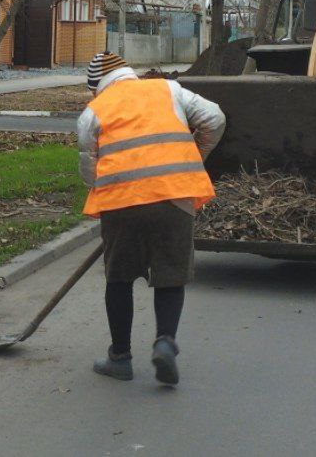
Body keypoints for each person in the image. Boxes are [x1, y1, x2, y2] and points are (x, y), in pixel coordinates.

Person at [77, 51, 225, 386]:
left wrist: (102, 187)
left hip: (122, 202)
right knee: (171, 274)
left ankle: (120, 357)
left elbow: (89, 166)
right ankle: (165, 342)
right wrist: (193, 157)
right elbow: (214, 119)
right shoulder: (168, 89)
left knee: (119, 278)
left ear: (96, 87)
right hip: (175, 194)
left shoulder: (94, 111)